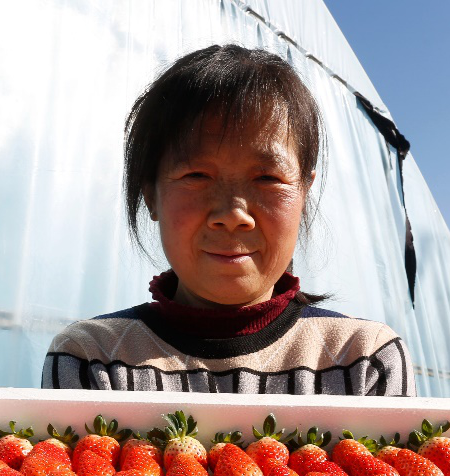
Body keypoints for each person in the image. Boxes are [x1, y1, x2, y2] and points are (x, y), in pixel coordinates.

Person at [41, 44, 415, 396]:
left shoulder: (364, 359)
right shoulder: (92, 357)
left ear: (304, 193)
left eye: (267, 178)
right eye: (196, 176)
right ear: (150, 194)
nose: (233, 216)